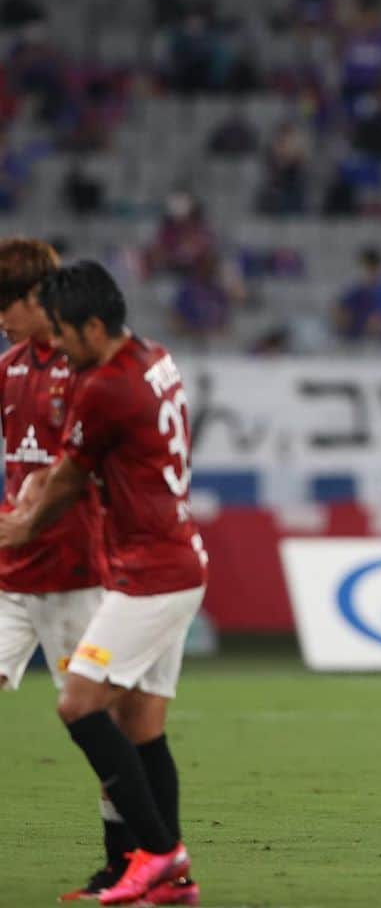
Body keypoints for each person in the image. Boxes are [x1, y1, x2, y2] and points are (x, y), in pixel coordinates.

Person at [0, 261, 207, 906]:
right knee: (142, 726)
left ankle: (159, 851)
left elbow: (67, 480)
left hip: (148, 575)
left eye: (64, 332)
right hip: (175, 558)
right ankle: (171, 881)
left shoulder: (105, 388)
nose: (57, 345)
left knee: (78, 704)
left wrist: (22, 523)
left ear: (94, 324)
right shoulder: (156, 356)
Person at [0, 240, 126, 901]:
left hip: (77, 574)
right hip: (10, 577)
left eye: (6, 304)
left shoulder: (85, 372)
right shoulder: (9, 368)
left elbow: (93, 469)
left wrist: (40, 499)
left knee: (95, 722)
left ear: (36, 299)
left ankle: (123, 856)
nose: (0, 318)